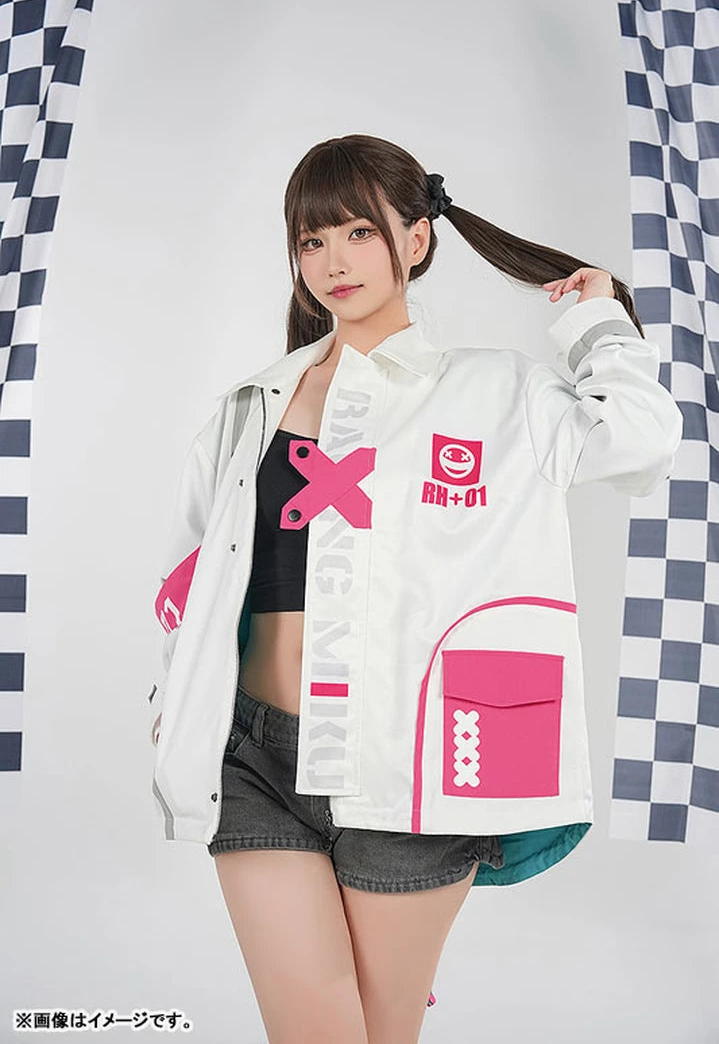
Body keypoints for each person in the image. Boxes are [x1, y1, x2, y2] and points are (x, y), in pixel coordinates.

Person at [147, 133, 683, 1044]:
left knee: (380, 1032)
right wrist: (174, 703)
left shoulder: (498, 392)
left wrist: (597, 321)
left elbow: (640, 443)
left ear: (417, 238)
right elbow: (191, 576)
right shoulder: (250, 405)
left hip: (410, 766)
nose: (333, 262)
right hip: (251, 757)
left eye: (359, 232)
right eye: (312, 240)